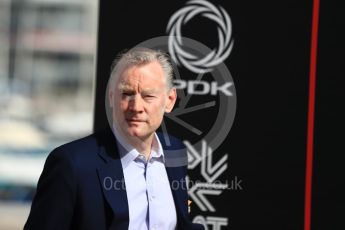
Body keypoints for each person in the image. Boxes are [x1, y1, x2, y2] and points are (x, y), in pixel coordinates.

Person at [24, 47, 204, 230]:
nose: (136, 106)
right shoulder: (71, 163)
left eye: (148, 96)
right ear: (111, 96)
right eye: (126, 94)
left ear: (170, 100)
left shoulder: (175, 150)